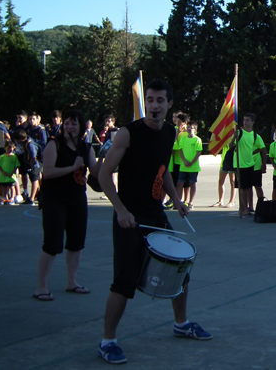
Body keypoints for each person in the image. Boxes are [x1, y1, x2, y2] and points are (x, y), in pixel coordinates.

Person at [97, 79, 211, 364]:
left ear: (169, 104)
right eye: (150, 100)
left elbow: (165, 170)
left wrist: (177, 200)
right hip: (129, 218)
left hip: (155, 214)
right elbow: (103, 175)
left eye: (160, 100)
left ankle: (181, 323)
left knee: (180, 270)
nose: (154, 105)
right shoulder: (127, 134)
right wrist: (121, 210)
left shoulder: (170, 132)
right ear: (145, 102)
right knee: (123, 282)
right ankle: (107, 341)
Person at [33, 108, 98, 301]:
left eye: (74, 123)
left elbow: (95, 172)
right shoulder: (55, 144)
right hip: (55, 199)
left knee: (76, 243)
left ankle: (72, 282)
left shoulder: (86, 148)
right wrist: (72, 167)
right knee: (52, 243)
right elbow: (49, 172)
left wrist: (106, 157)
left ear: (81, 127)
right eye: (67, 123)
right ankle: (41, 286)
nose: (70, 127)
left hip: (77, 198)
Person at [227, 113, 266, 218]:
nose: (245, 122)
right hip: (239, 165)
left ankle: (248, 207)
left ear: (253, 122)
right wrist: (233, 138)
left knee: (248, 187)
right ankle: (243, 209)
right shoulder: (239, 132)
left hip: (250, 164)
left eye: (248, 120)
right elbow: (230, 147)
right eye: (244, 120)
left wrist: (262, 163)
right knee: (242, 188)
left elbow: (262, 148)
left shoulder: (254, 136)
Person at [176, 121, 202, 209]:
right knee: (180, 183)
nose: (189, 129)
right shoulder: (183, 139)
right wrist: (184, 161)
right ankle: (179, 202)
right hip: (183, 166)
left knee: (192, 184)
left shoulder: (197, 140)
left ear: (195, 129)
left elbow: (198, 152)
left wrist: (191, 162)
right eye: (188, 127)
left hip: (193, 167)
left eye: (191, 127)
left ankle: (191, 202)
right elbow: (180, 150)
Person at [12, 129, 41, 205]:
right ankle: (36, 195)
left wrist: (31, 165)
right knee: (33, 179)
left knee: (35, 179)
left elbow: (33, 156)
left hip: (35, 164)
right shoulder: (27, 141)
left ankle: (31, 199)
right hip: (31, 164)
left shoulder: (30, 144)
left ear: (20, 139)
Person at [215, 143, 235, 207]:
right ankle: (220, 201)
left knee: (232, 182)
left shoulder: (235, 137)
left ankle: (231, 201)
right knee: (221, 181)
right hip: (224, 162)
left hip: (232, 162)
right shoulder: (224, 138)